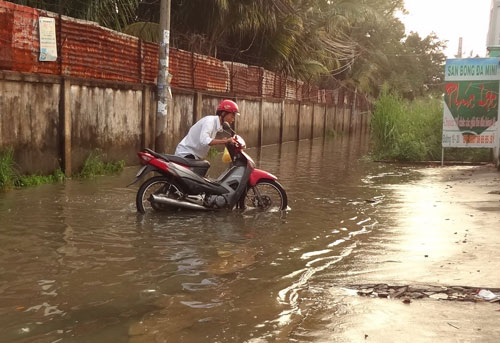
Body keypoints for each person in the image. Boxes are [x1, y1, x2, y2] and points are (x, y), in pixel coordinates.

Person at [175, 99, 239, 160]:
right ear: (223, 113)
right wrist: (225, 141)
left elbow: (208, 141)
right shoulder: (210, 121)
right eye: (232, 116)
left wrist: (225, 142)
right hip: (186, 154)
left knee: (205, 166)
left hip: (194, 156)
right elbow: (204, 140)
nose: (233, 119)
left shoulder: (217, 125)